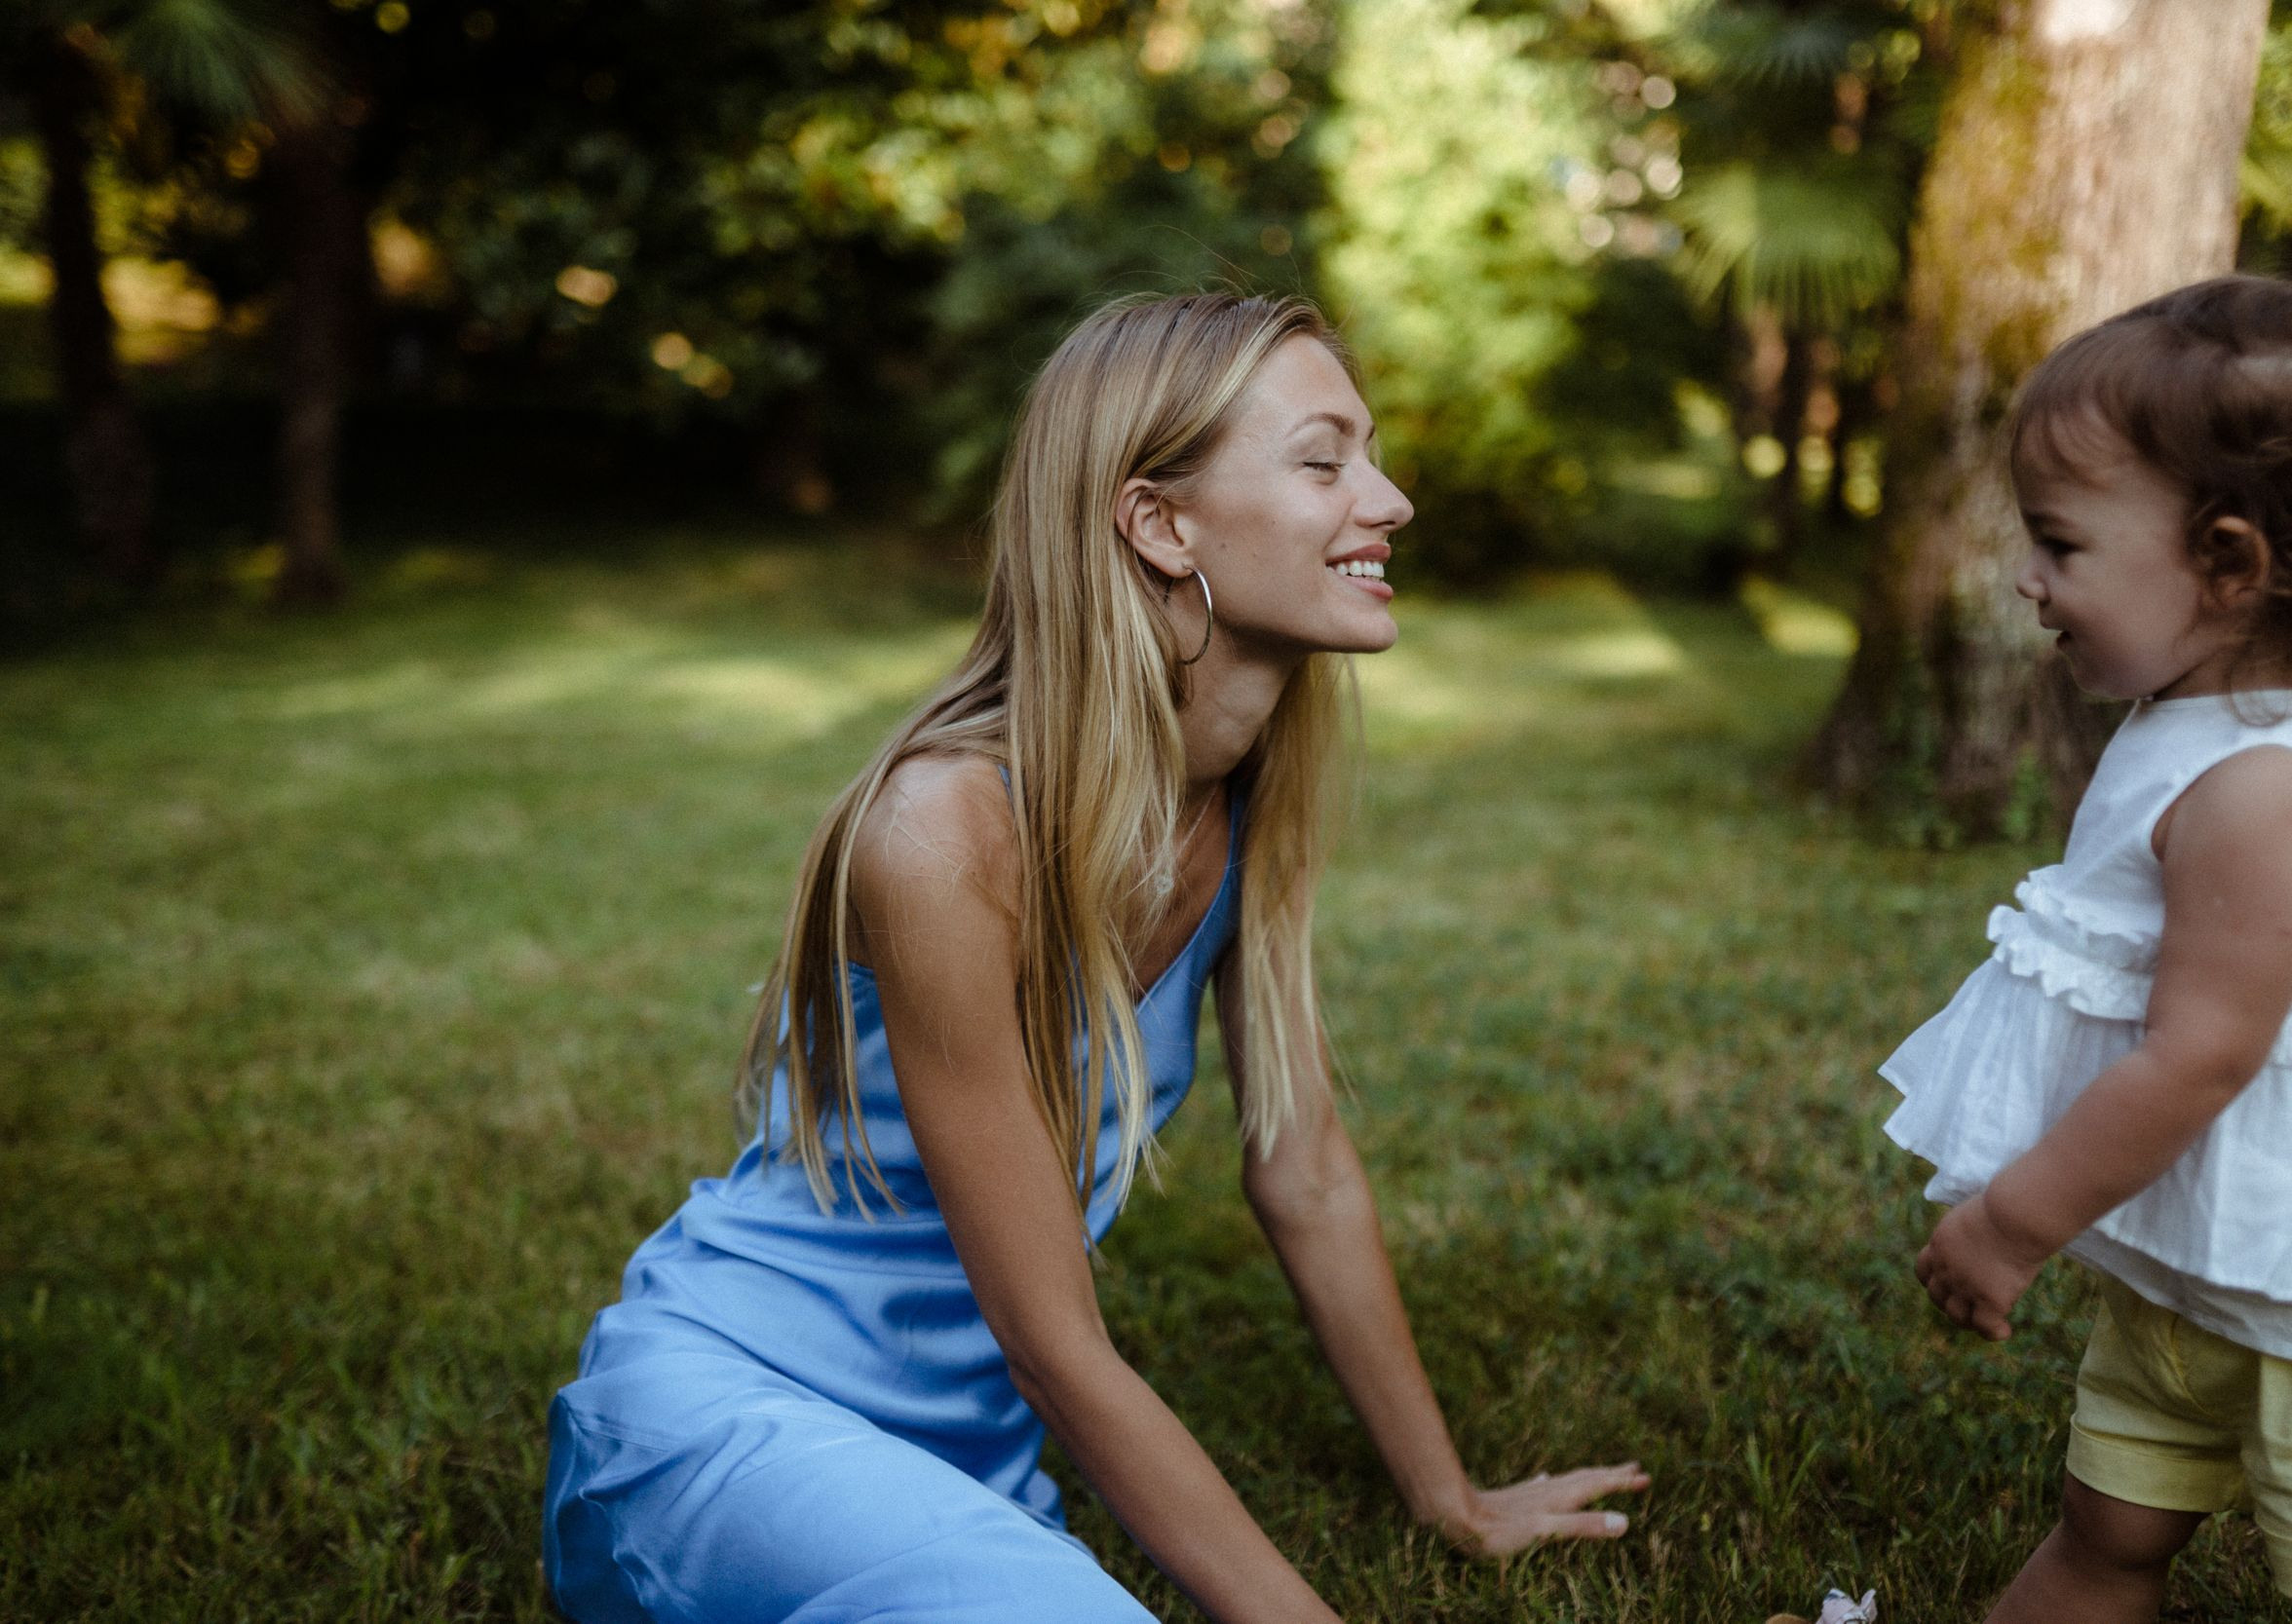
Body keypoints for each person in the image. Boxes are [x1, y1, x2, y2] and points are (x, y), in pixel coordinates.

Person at [542, 292, 1648, 1624]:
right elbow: (1054, 1347)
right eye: (1324, 460)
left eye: (1371, 454)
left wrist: (1449, 1497)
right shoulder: (943, 833)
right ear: (1160, 524)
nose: (1391, 499)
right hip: (720, 1421)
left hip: (964, 1469)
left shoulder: (1247, 797)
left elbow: (1302, 1165)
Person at [1882, 221, 2292, 1623]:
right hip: (2195, 1263)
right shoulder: (2180, 723)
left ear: (2229, 563)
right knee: (2108, 1533)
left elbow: (2202, 1054)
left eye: (2061, 544)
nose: (2029, 578)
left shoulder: (2264, 782)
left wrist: (2014, 1221)